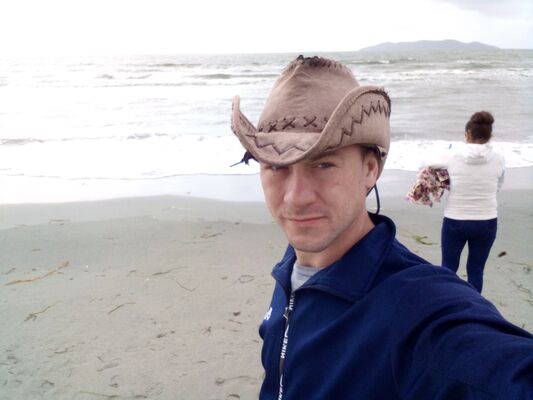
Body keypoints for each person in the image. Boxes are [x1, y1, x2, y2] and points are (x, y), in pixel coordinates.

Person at [230, 55, 533, 399]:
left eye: (324, 164)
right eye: (275, 166)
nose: (296, 197)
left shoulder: (417, 310)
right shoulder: (291, 267)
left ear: (370, 170)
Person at [424, 112, 504, 292]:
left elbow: (427, 162)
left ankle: (448, 303)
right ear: (489, 135)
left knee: (448, 268)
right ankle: (473, 306)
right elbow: (498, 186)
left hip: (456, 220)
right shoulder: (499, 158)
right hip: (487, 221)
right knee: (476, 269)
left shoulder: (452, 155)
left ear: (467, 134)